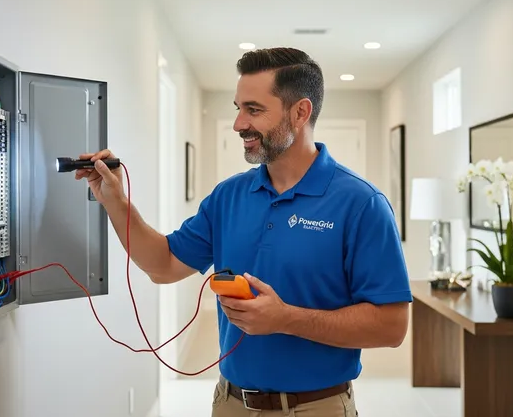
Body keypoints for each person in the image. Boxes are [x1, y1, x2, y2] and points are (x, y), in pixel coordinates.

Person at [75, 47, 412, 417]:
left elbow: (391, 326)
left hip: (317, 408)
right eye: (238, 108)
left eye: (253, 109)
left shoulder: (362, 204)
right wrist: (116, 202)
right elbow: (164, 265)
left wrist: (286, 318)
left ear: (300, 112)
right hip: (231, 403)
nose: (238, 124)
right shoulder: (229, 196)